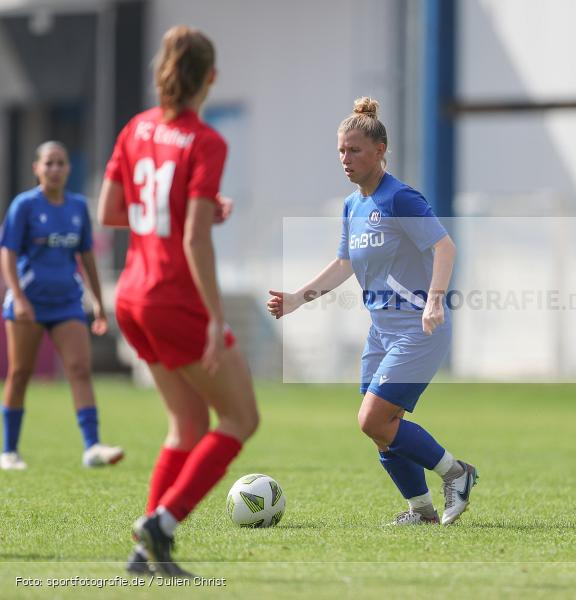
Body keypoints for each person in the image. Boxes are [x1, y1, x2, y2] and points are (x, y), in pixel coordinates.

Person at [267, 97, 477, 526]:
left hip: (418, 329)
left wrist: (435, 298)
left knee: (373, 419)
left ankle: (457, 473)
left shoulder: (400, 198)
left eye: (355, 150)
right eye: (342, 150)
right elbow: (343, 264)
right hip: (380, 331)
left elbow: (444, 246)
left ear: (380, 150)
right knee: (382, 430)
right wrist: (296, 299)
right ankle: (422, 511)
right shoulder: (352, 206)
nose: (346, 159)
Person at [98, 25, 258, 576]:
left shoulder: (135, 127)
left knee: (186, 425)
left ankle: (146, 553)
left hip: (132, 297)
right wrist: (216, 318)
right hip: (172, 297)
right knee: (241, 416)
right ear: (210, 78)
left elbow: (112, 212)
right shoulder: (207, 141)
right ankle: (163, 524)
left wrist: (188, 209)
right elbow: (192, 238)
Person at [0, 141, 124, 470]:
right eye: (49, 163)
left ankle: (92, 447)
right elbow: (8, 254)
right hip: (29, 303)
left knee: (80, 369)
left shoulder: (78, 207)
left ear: (69, 168)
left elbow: (86, 255)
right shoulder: (24, 206)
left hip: (67, 302)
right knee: (20, 373)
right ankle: (9, 451)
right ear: (36, 169)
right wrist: (19, 297)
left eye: (61, 163)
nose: (55, 169)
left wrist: (98, 301)